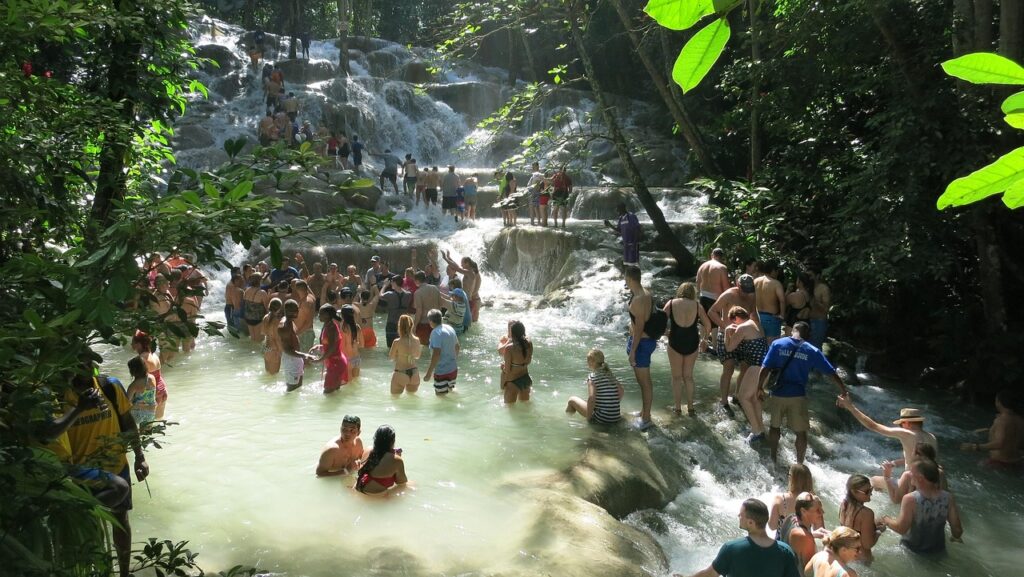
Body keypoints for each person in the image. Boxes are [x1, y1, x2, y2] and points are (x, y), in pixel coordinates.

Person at [65, 364, 149, 577]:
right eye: (79, 364)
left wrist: (140, 457)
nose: (84, 369)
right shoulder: (60, 395)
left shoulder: (109, 386)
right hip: (80, 475)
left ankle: (123, 573)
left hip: (116, 465)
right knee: (87, 528)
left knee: (121, 520)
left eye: (87, 364)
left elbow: (128, 421)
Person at [757, 321, 848, 464]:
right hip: (798, 396)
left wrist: (759, 388)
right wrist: (843, 390)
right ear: (808, 334)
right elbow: (831, 373)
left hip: (778, 393)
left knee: (774, 427)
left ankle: (773, 458)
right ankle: (799, 464)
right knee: (801, 432)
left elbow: (765, 368)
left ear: (792, 330)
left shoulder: (777, 344)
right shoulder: (812, 350)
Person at [835, 397, 938, 502]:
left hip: (912, 482)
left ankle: (883, 505)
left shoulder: (907, 434)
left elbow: (873, 426)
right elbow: (923, 459)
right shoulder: (931, 437)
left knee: (874, 481)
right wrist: (894, 463)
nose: (901, 426)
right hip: (931, 481)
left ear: (907, 423)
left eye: (901, 424)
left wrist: (851, 407)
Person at [678, 499, 800, 577]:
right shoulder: (785, 551)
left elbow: (710, 574)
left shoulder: (731, 549)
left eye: (741, 515)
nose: (738, 516)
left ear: (751, 522)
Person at [881, 458, 963, 553]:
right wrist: (955, 537)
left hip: (911, 552)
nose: (909, 474)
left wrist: (885, 519)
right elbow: (957, 531)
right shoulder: (948, 497)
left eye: (911, 472)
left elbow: (901, 529)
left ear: (920, 477)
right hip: (938, 551)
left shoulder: (910, 499)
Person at [708, 274, 758, 416]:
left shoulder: (752, 295)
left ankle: (737, 395)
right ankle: (724, 401)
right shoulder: (729, 294)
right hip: (727, 334)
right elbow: (712, 311)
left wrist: (758, 330)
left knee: (746, 366)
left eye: (749, 290)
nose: (746, 293)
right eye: (744, 290)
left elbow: (753, 313)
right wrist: (725, 326)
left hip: (744, 335)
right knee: (728, 368)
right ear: (738, 285)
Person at [663, 282, 711, 416]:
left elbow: (660, 320)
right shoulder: (697, 305)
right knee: (688, 377)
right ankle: (690, 407)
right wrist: (705, 339)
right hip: (692, 341)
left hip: (675, 340)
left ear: (680, 291)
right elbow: (707, 324)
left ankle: (677, 408)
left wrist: (665, 331)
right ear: (693, 293)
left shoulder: (671, 303)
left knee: (676, 377)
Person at [724, 306, 769, 443]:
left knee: (743, 397)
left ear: (736, 318)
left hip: (756, 366)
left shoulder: (742, 327)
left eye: (733, 322)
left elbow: (729, 348)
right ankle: (760, 429)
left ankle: (756, 431)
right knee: (755, 399)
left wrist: (727, 332)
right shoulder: (755, 323)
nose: (734, 326)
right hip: (766, 367)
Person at [624, 264, 658, 429]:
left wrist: (633, 351)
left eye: (625, 278)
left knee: (644, 382)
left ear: (629, 279)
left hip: (641, 343)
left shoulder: (638, 299)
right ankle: (645, 411)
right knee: (643, 381)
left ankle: (646, 419)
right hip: (645, 342)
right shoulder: (645, 293)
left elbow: (639, 328)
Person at [960, 388, 1024, 470]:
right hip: (1017, 463)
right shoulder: (1020, 420)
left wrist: (975, 447)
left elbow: (999, 443)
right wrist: (990, 430)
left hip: (999, 463)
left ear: (999, 402)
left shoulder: (1001, 420)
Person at [565, 348, 623, 424]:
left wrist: (588, 419)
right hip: (615, 417)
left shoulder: (592, 377)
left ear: (592, 362)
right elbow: (621, 392)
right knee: (587, 403)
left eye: (587, 360)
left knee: (572, 400)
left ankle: (567, 421)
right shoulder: (610, 375)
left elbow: (591, 398)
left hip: (600, 418)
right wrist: (609, 404)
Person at [838, 474, 882, 559]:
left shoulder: (844, 504)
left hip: (844, 555)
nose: (871, 493)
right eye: (867, 491)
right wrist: (878, 532)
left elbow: (852, 528)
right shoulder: (867, 513)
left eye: (871, 489)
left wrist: (873, 526)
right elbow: (867, 544)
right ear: (854, 492)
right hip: (861, 558)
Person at [355, 425, 408, 494]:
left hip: (357, 489)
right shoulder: (396, 460)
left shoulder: (367, 449)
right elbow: (402, 483)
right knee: (411, 485)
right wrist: (397, 458)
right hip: (375, 497)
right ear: (392, 441)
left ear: (375, 439)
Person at [779, 492, 823, 571]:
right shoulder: (805, 538)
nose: (822, 513)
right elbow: (811, 571)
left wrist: (813, 534)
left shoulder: (791, 517)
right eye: (817, 510)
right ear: (803, 511)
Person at [130, 331, 168, 421]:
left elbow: (139, 383)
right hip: (162, 390)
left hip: (151, 394)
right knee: (159, 421)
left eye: (133, 342)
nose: (131, 344)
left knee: (146, 427)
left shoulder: (141, 360)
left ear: (139, 344)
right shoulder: (154, 355)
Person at [279, 299, 316, 392]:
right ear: (288, 311)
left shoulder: (290, 321)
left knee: (298, 389)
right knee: (291, 390)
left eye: (297, 309)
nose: (298, 311)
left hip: (296, 358)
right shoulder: (284, 327)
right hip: (291, 360)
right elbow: (287, 349)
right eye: (295, 310)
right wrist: (305, 355)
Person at [769, 463, 815, 533]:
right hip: (805, 541)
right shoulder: (813, 500)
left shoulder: (780, 499)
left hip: (783, 542)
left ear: (791, 478)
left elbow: (772, 526)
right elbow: (817, 527)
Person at [423, 309, 459, 394]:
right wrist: (453, 360)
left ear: (430, 321)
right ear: (441, 318)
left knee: (440, 396)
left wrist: (429, 374)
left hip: (442, 372)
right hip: (453, 369)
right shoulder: (450, 328)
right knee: (451, 391)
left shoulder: (435, 333)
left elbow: (436, 353)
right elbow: (457, 347)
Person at [316, 304, 350, 393]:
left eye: (320, 314)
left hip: (336, 363)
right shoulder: (327, 325)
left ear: (327, 315)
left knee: (327, 394)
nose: (318, 315)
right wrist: (318, 347)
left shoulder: (331, 328)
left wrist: (320, 359)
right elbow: (329, 343)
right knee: (334, 395)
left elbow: (332, 347)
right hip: (335, 362)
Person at [498, 320, 533, 405]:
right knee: (525, 409)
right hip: (526, 380)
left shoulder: (509, 348)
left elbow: (508, 371)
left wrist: (503, 367)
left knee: (509, 410)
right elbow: (528, 361)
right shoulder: (529, 343)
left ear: (512, 333)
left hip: (513, 383)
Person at [442, 251, 480, 325]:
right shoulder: (468, 272)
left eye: (462, 263)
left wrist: (445, 259)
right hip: (465, 300)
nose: (461, 265)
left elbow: (457, 268)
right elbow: (457, 267)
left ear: (467, 263)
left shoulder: (470, 272)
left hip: (467, 301)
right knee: (462, 323)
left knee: (465, 324)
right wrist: (449, 258)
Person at [389, 314, 422, 394]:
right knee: (412, 402)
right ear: (412, 326)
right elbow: (417, 356)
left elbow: (391, 357)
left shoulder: (397, 342)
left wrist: (398, 355)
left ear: (400, 326)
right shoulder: (417, 340)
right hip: (414, 373)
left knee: (395, 400)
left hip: (400, 373)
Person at [754, 262, 786, 342]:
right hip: (771, 318)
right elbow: (782, 300)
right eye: (777, 271)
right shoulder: (776, 283)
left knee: (760, 343)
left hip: (757, 316)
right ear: (773, 271)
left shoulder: (755, 281)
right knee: (772, 345)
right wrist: (782, 315)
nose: (777, 273)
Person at [412, 270, 444, 345]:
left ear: (416, 280)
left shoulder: (418, 292)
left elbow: (419, 311)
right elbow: (441, 304)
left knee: (423, 347)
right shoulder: (435, 288)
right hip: (437, 323)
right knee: (436, 346)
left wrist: (414, 325)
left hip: (424, 323)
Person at [380, 275, 412, 348]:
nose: (391, 284)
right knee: (403, 346)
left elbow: (380, 296)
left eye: (391, 282)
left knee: (390, 347)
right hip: (403, 324)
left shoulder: (390, 294)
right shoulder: (408, 295)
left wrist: (384, 286)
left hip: (391, 324)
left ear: (394, 283)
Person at [696, 247, 731, 313]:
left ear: (712, 255)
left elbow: (698, 282)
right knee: (715, 322)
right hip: (715, 299)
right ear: (721, 256)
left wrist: (699, 295)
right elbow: (725, 286)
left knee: (704, 321)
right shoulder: (722, 268)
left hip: (703, 296)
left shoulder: (702, 266)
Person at [125, 357, 156, 429]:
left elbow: (127, 405)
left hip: (137, 414)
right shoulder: (152, 378)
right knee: (147, 436)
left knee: (135, 438)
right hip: (150, 413)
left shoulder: (134, 385)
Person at [807, 266, 831, 347]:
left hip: (818, 322)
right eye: (807, 276)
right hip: (806, 321)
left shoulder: (823, 288)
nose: (808, 278)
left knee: (815, 348)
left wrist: (815, 300)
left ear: (818, 276)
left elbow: (826, 310)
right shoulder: (806, 287)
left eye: (810, 276)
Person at [339, 304, 363, 379]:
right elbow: (362, 345)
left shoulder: (343, 328)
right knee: (355, 383)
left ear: (343, 316)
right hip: (356, 358)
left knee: (348, 384)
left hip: (347, 359)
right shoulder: (357, 327)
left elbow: (342, 346)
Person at [293, 280, 317, 353]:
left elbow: (309, 322)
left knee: (305, 360)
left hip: (305, 334)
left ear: (297, 289)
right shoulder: (311, 296)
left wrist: (297, 334)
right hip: (304, 333)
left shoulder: (306, 303)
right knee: (303, 359)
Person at [262, 298, 284, 374]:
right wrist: (281, 351)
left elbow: (264, 333)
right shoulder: (277, 321)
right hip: (274, 349)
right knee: (274, 374)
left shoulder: (265, 317)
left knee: (268, 373)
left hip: (266, 348)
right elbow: (277, 338)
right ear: (279, 308)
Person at [526, 161, 545, 226]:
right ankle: (534, 222)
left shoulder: (538, 174)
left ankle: (536, 222)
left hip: (534, 192)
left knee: (535, 207)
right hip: (532, 192)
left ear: (537, 166)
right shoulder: (535, 174)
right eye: (532, 166)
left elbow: (538, 184)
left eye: (534, 166)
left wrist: (534, 192)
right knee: (533, 208)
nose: (533, 167)